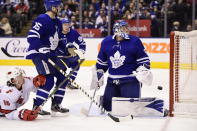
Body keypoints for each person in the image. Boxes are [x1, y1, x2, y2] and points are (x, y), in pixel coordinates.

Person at [92, 20, 167, 117]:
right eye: (124, 28)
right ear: (117, 29)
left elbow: (144, 60)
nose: (127, 30)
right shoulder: (106, 42)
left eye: (127, 28)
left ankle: (155, 107)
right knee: (108, 108)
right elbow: (101, 63)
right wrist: (99, 73)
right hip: (112, 80)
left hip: (130, 80)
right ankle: (104, 99)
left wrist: (143, 69)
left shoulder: (135, 41)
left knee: (131, 109)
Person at [26, 0, 69, 116]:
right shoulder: (42, 19)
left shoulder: (58, 22)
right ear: (51, 7)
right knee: (48, 80)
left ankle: (56, 104)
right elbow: (32, 36)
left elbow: (58, 40)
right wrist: (41, 47)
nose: (60, 8)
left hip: (51, 54)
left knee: (63, 78)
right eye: (57, 6)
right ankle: (37, 106)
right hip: (40, 55)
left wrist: (68, 49)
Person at [56, 18, 86, 89]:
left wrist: (81, 52)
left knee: (76, 66)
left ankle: (69, 82)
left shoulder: (73, 32)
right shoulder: (56, 33)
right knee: (61, 70)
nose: (67, 26)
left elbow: (82, 43)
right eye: (64, 25)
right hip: (58, 56)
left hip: (68, 56)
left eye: (68, 24)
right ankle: (59, 82)